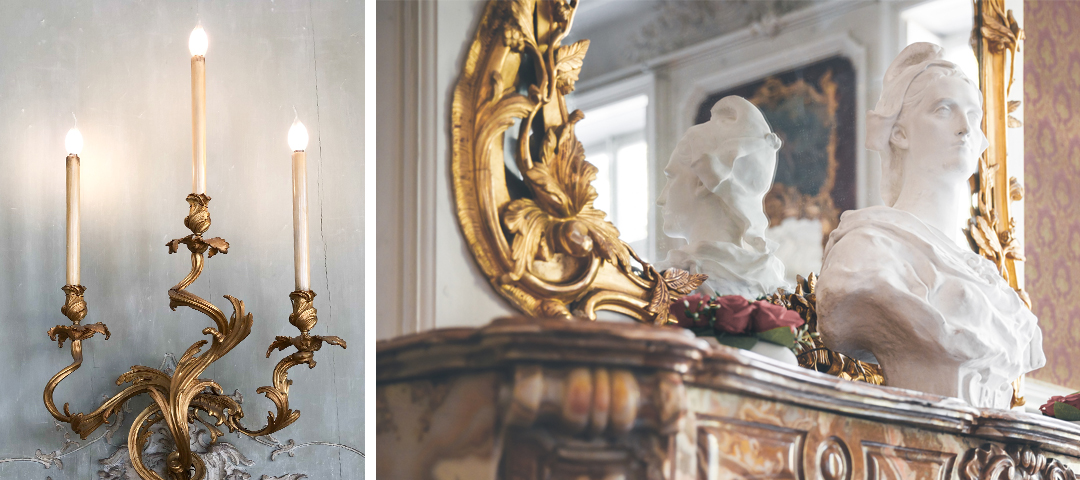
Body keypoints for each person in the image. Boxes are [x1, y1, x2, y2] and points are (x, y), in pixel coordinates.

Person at [816, 43, 1044, 409]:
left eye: (974, 114)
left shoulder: (989, 278)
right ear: (899, 134)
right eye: (944, 110)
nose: (966, 128)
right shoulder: (868, 252)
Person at [655, 95, 789, 299]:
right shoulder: (774, 284)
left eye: (671, 178)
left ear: (702, 181)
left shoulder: (675, 280)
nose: (661, 199)